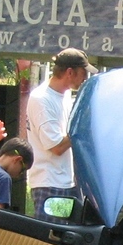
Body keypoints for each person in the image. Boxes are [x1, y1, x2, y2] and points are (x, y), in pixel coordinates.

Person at [27, 48, 97, 223]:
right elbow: (56, 147)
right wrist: (81, 127)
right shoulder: (41, 99)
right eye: (83, 73)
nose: (85, 78)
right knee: (53, 237)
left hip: (66, 182)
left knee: (70, 235)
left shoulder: (64, 95)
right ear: (70, 72)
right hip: (49, 184)